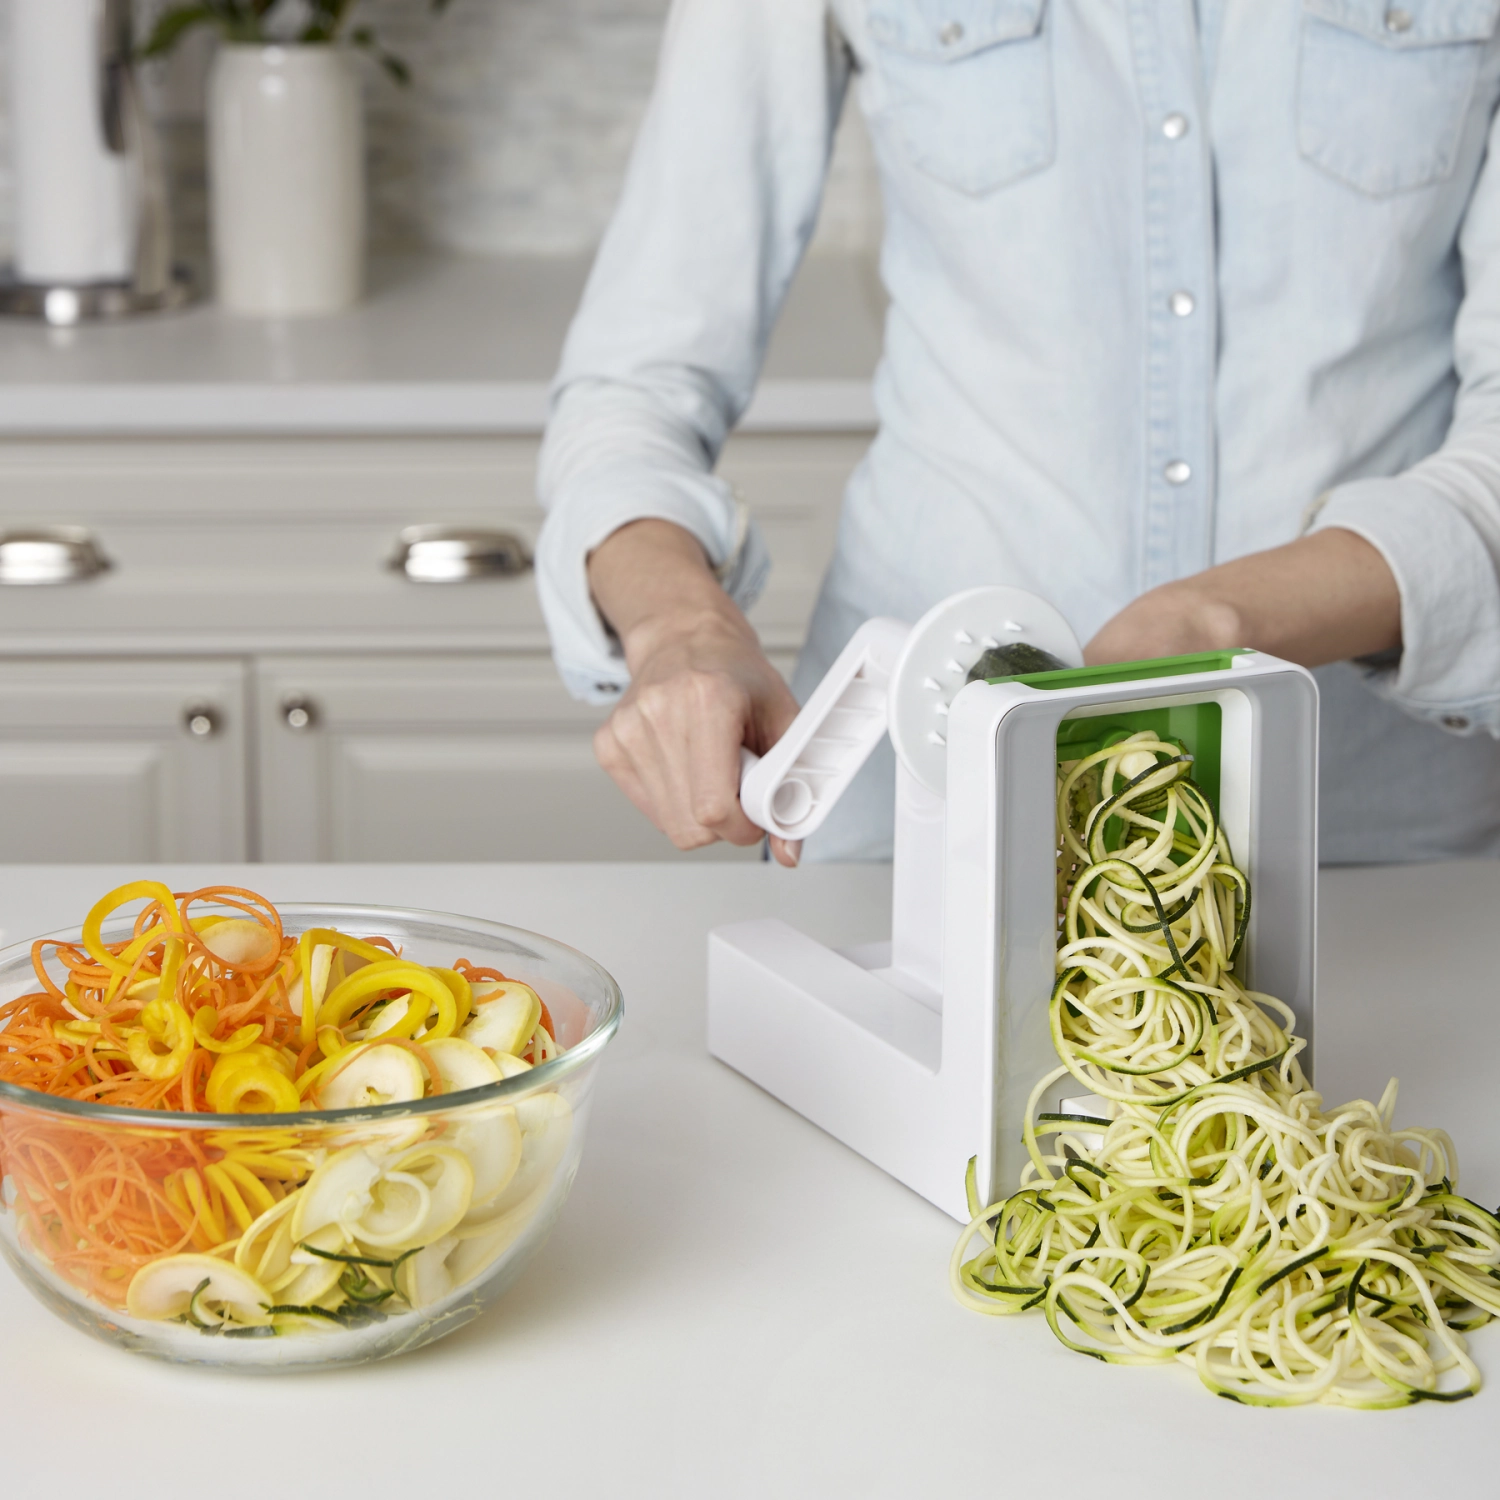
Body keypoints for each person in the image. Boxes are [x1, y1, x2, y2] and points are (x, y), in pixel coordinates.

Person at [535, 0, 1500, 867]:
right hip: (907, 811)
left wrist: (1221, 623)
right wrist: (680, 627)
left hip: (1367, 837)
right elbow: (638, 379)